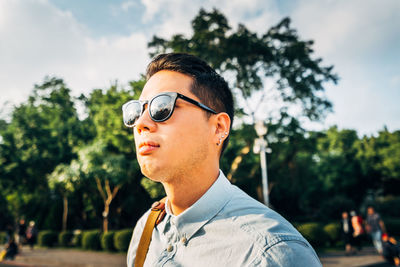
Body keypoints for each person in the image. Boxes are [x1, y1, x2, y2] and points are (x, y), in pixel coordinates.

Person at [125, 53, 321, 266]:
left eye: (162, 107)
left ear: (218, 127)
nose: (141, 123)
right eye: (137, 110)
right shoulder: (146, 229)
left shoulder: (273, 253)